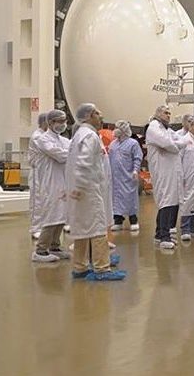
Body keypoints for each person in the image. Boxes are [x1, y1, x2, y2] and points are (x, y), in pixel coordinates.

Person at [66, 103, 126, 281]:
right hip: (89, 190)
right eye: (98, 114)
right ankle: (102, 268)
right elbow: (83, 163)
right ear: (89, 115)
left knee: (83, 228)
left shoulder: (80, 135)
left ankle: (80, 267)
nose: (101, 117)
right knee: (98, 228)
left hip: (82, 189)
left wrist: (77, 186)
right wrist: (81, 186)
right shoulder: (89, 136)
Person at [31, 109, 71, 262]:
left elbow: (72, 151)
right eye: (59, 121)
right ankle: (40, 250)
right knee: (52, 215)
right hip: (50, 183)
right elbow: (61, 156)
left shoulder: (63, 140)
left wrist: (70, 153)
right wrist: (69, 153)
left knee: (62, 215)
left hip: (62, 181)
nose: (63, 124)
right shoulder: (43, 140)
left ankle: (55, 246)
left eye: (64, 121)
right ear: (50, 122)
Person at [146, 105, 187, 249]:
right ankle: (164, 237)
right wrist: (175, 146)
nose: (168, 115)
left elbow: (181, 141)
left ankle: (160, 235)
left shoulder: (167, 130)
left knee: (170, 201)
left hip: (170, 170)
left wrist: (175, 145)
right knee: (166, 201)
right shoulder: (153, 127)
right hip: (161, 171)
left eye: (169, 113)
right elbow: (168, 144)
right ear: (158, 114)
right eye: (165, 113)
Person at [109, 120, 143, 231]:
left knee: (130, 198)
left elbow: (137, 158)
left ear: (123, 130)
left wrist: (135, 170)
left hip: (128, 176)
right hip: (115, 177)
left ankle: (133, 220)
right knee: (116, 198)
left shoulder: (133, 143)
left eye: (117, 128)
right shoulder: (113, 144)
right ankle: (118, 220)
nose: (115, 130)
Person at [27, 112, 48, 240]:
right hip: (37, 172)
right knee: (37, 201)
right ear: (45, 122)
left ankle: (43, 227)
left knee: (45, 200)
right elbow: (51, 150)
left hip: (45, 172)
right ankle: (35, 228)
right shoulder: (37, 137)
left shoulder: (45, 136)